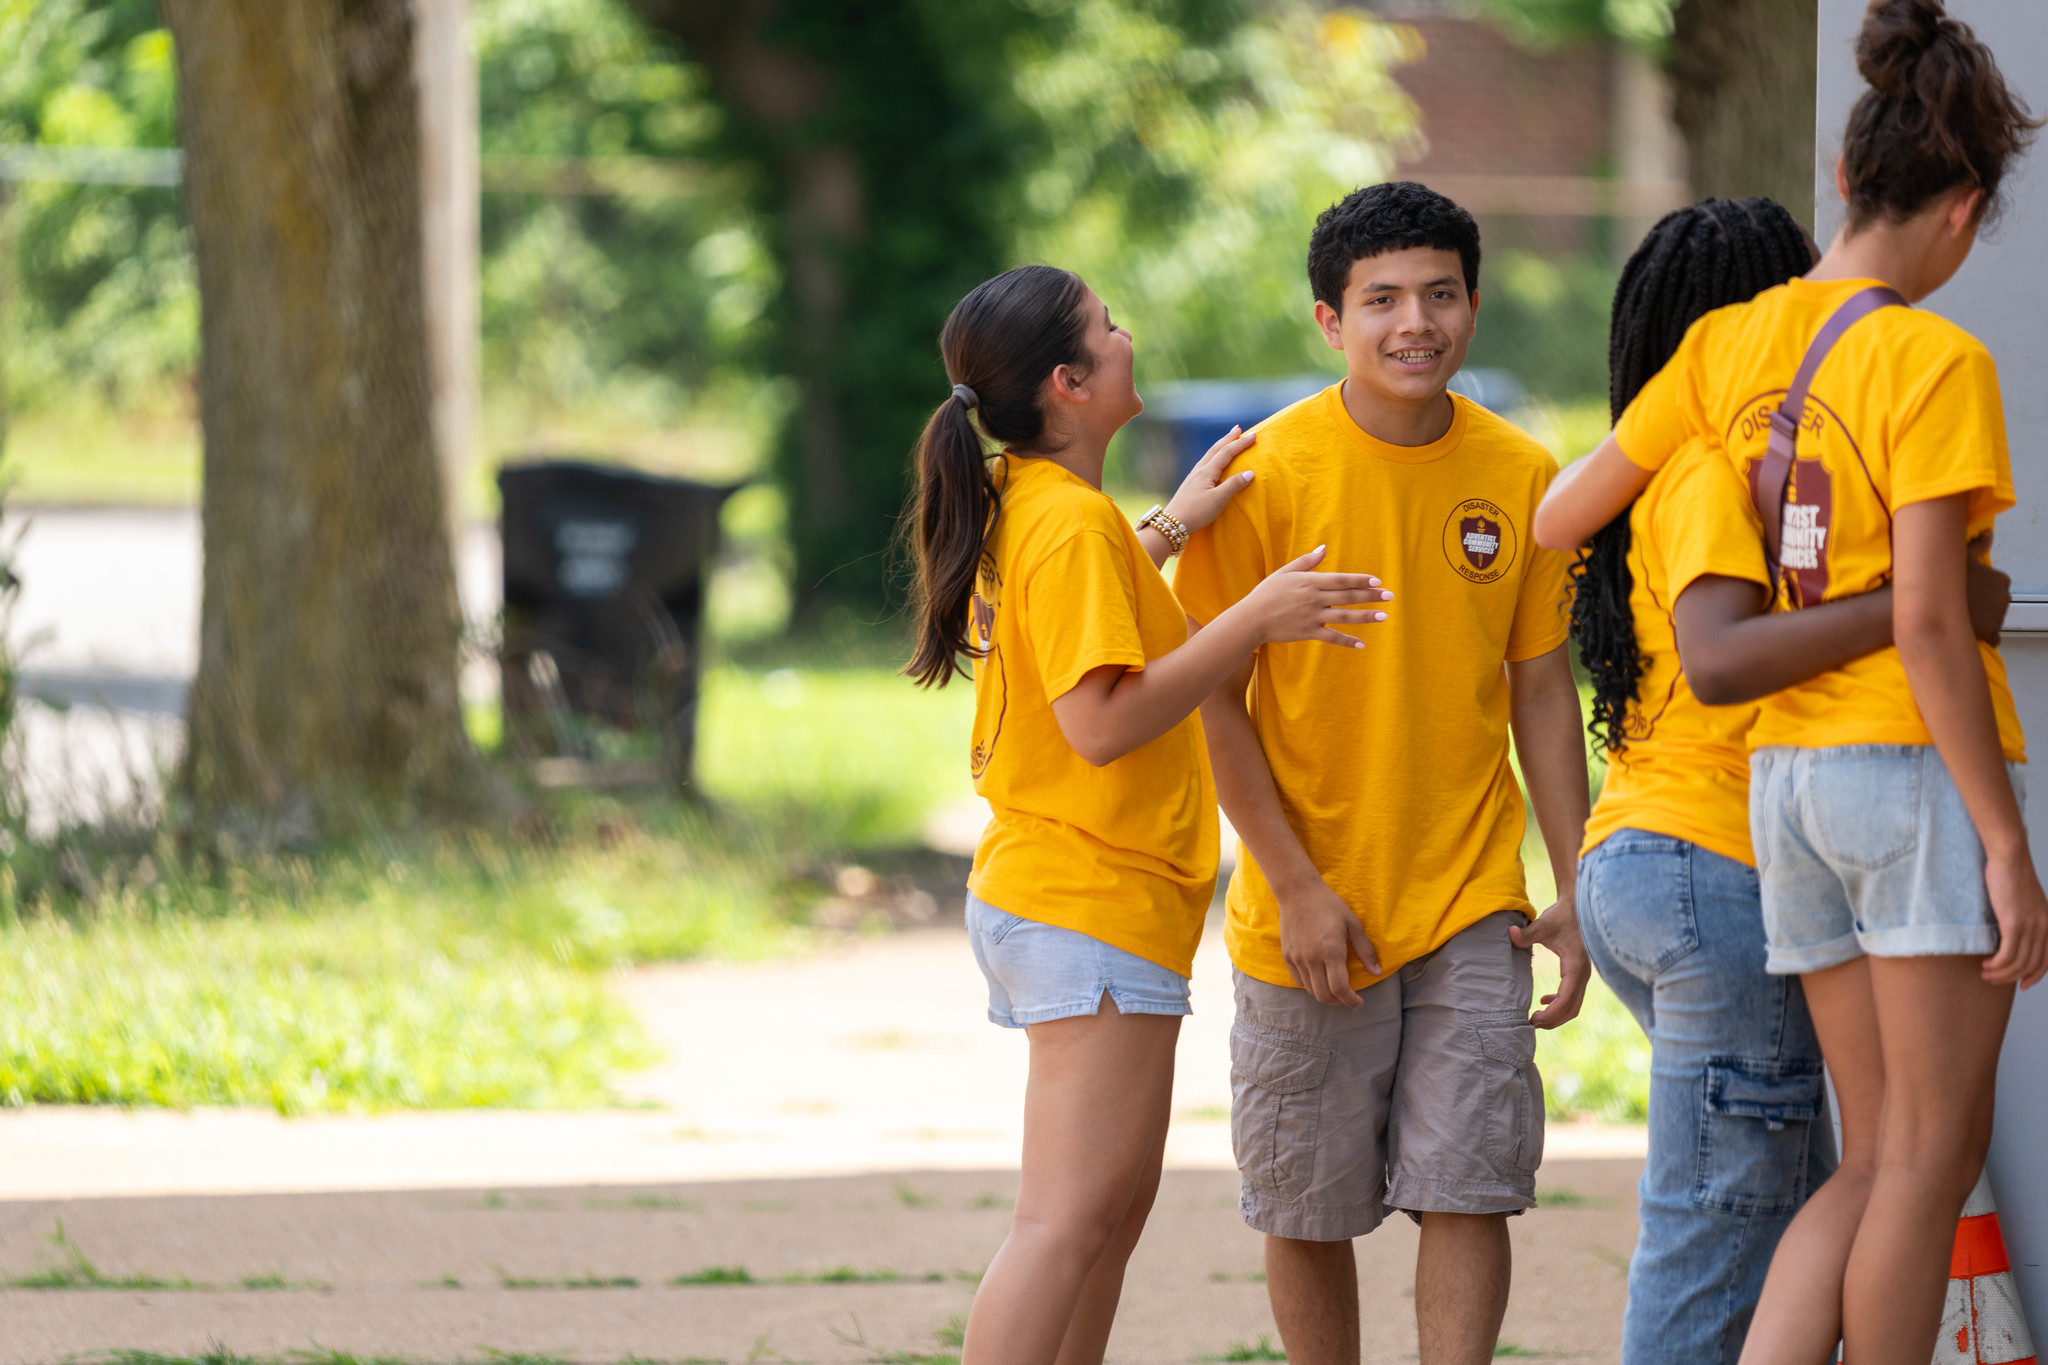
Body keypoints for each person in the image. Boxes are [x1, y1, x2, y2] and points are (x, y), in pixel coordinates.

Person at [1531, 4, 2048, 1362]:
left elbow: (1559, 516)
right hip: (1908, 773)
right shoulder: (1937, 360)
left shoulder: (1723, 347)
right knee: (1926, 1165)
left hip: (1784, 789)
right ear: (1966, 208)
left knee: (1872, 1157)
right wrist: (2007, 844)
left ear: (1840, 179)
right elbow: (1936, 621)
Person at [904, 263, 1392, 1365]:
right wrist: (1253, 620)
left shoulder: (1047, 508)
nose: (1127, 338)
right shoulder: (1068, 525)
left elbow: (1099, 608)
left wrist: (1172, 524)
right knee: (1065, 1223)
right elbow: (1101, 721)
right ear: (1070, 383)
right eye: (1106, 329)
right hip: (1087, 901)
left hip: (1087, 901)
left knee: (1104, 1223)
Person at [1173, 181, 1590, 1365]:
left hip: (1471, 898)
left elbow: (1540, 692)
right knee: (1306, 1202)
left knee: (1471, 1186)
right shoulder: (1265, 474)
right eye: (1382, 300)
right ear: (1327, 320)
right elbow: (1209, 694)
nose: (1416, 322)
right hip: (1308, 902)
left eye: (1440, 294)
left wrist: (1574, 880)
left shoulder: (1518, 472)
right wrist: (1294, 883)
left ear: (1473, 304)